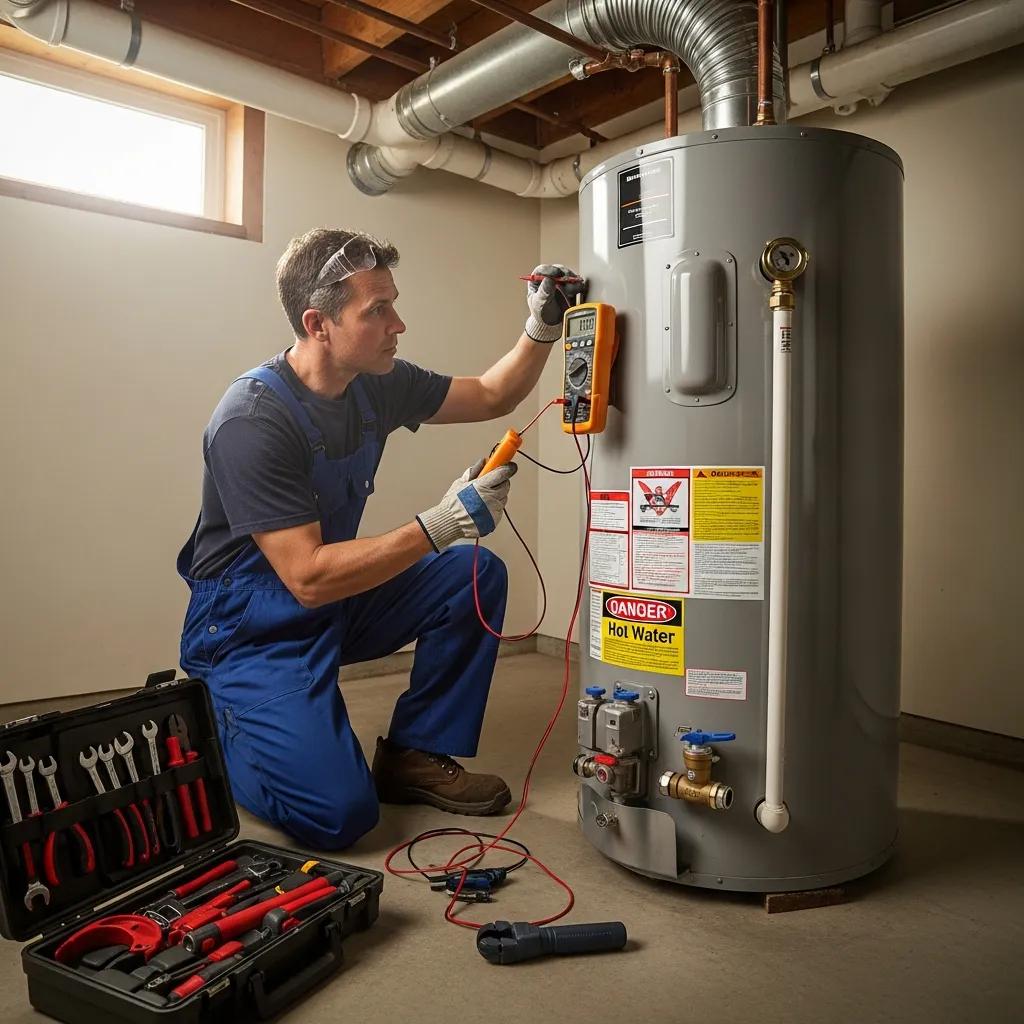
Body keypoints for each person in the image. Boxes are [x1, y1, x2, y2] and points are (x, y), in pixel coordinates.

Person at [176, 228, 583, 849]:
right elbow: (307, 576)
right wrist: (439, 523)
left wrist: (543, 327)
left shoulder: (376, 383)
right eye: (378, 310)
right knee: (338, 817)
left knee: (474, 573)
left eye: (393, 303)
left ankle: (415, 754)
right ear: (318, 323)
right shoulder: (252, 420)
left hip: (331, 603)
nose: (400, 323)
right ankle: (215, 720)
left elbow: (493, 394)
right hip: (249, 629)